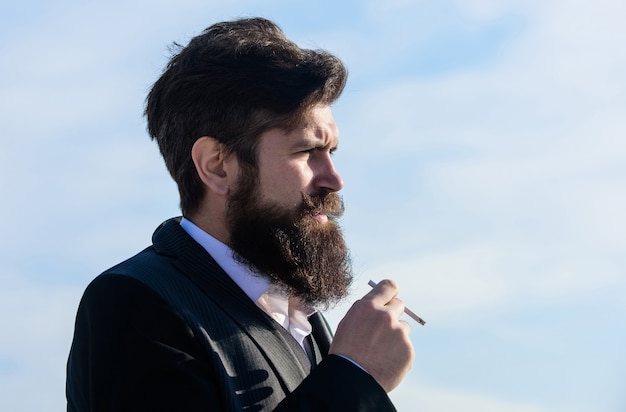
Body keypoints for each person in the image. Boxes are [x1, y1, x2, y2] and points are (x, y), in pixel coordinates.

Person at [66, 17, 414, 411]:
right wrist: (355, 376)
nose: (334, 180)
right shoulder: (134, 304)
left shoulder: (300, 320)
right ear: (217, 166)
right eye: (306, 152)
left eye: (331, 152)